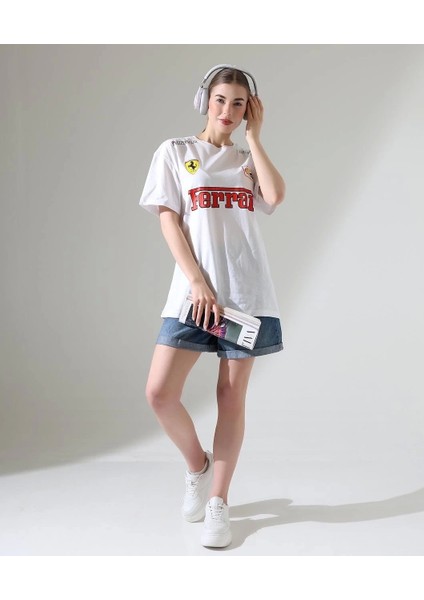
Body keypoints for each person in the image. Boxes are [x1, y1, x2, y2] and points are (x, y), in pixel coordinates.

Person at [139, 64, 286, 548]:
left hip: (246, 295)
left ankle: (219, 503)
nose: (228, 110)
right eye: (221, 100)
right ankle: (198, 467)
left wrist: (255, 137)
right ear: (205, 100)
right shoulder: (176, 151)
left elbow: (275, 196)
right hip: (194, 296)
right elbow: (168, 219)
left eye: (239, 103)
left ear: (249, 109)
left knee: (230, 396)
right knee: (160, 393)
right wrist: (197, 282)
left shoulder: (246, 160)